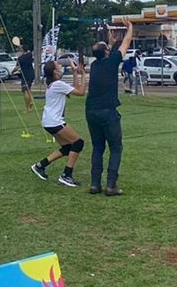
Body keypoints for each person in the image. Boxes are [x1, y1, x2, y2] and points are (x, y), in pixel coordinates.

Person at [85, 17, 133, 196]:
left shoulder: (95, 65)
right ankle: (111, 185)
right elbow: (126, 43)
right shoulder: (111, 62)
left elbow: (105, 53)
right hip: (107, 111)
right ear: (106, 52)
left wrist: (109, 44)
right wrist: (130, 28)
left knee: (98, 147)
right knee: (115, 147)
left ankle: (94, 183)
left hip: (91, 110)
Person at [32, 57, 87, 187]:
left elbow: (74, 88)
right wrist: (83, 74)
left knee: (68, 147)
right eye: (58, 65)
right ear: (55, 71)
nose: (61, 66)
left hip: (49, 121)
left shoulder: (54, 84)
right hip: (54, 121)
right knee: (78, 143)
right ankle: (66, 176)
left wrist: (75, 73)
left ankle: (40, 165)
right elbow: (81, 92)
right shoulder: (57, 84)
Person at [17, 43, 36, 111]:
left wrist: (12, 72)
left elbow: (17, 67)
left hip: (25, 75)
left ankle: (28, 108)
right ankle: (31, 102)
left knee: (25, 91)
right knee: (29, 89)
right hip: (31, 74)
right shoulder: (30, 55)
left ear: (22, 49)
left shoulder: (20, 58)